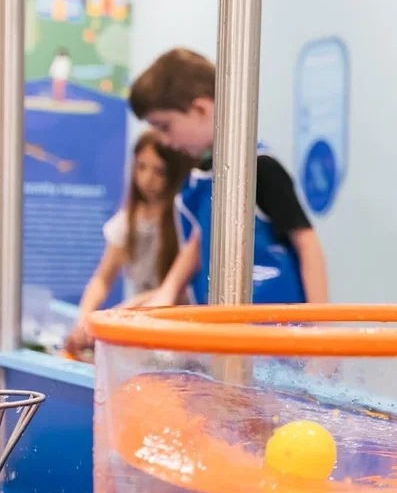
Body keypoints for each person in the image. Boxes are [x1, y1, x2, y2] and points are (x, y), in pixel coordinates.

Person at [128, 47, 328, 306]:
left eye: (165, 127)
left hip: (275, 325)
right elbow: (198, 244)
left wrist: (319, 322)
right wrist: (164, 293)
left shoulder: (261, 168)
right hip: (226, 324)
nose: (165, 141)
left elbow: (306, 242)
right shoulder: (205, 176)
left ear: (201, 110)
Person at [65, 131, 193, 356]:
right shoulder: (127, 220)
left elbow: (184, 290)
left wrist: (130, 307)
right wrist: (84, 318)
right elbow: (103, 277)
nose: (147, 179)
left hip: (181, 331)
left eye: (159, 171)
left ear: (174, 172)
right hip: (141, 327)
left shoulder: (186, 220)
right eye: (141, 167)